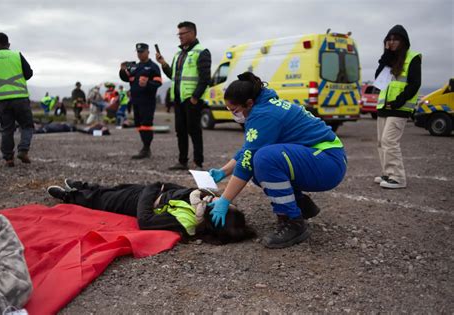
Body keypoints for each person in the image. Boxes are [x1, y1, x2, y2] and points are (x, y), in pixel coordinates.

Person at [207, 72, 347, 249]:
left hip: (328, 162)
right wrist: (224, 171)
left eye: (235, 110)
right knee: (260, 166)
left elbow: (247, 162)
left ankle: (294, 222)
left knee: (264, 160)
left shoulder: (263, 115)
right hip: (323, 157)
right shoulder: (264, 106)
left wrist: (225, 200)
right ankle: (300, 204)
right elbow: (249, 149)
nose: (233, 115)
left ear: (249, 103)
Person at [46, 179, 255, 244]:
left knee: (102, 200)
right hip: (150, 192)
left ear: (213, 216)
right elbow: (180, 190)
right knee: (114, 188)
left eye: (223, 206)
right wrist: (162, 186)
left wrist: (153, 188)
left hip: (141, 200)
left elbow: (145, 221)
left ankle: (69, 196)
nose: (221, 200)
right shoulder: (202, 200)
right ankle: (84, 185)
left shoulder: (186, 221)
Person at [156, 21, 211, 170]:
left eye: (182, 34)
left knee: (194, 131)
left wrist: (195, 98)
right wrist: (164, 64)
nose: (179, 37)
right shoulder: (178, 54)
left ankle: (198, 162)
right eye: (178, 34)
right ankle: (182, 161)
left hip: (191, 100)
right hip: (178, 100)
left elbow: (205, 78)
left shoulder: (202, 51)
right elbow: (173, 75)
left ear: (192, 33)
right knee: (180, 131)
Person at [374, 25, 421, 189]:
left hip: (399, 108)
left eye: (396, 39)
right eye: (389, 39)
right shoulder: (389, 59)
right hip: (384, 107)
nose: (392, 42)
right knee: (381, 142)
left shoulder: (413, 57)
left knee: (389, 141)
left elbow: (414, 84)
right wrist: (386, 55)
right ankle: (387, 173)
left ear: (403, 41)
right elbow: (378, 78)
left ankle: (398, 177)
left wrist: (398, 101)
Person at [0, 33, 34, 167]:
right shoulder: (17, 55)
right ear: (8, 44)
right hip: (20, 98)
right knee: (27, 126)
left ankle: (9, 158)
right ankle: (23, 150)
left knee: (6, 129)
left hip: (2, 100)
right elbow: (29, 74)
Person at [120, 43, 162, 159]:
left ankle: (146, 148)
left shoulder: (153, 66)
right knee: (138, 124)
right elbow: (125, 78)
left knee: (146, 125)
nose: (139, 54)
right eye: (138, 52)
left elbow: (158, 82)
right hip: (136, 101)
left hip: (147, 102)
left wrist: (147, 83)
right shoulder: (135, 67)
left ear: (148, 52)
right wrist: (122, 70)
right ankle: (145, 146)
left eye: (142, 52)